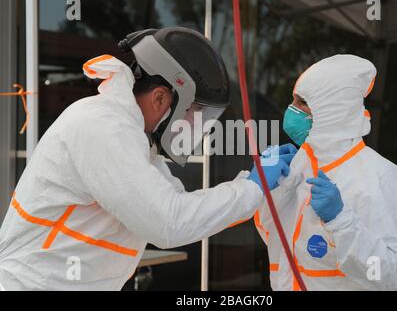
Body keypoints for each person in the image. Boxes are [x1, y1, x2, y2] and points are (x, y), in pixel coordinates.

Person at [0, 27, 296, 290]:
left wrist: (251, 181)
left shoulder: (136, 139)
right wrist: (254, 186)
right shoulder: (103, 127)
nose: (196, 127)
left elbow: (181, 206)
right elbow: (169, 223)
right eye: (196, 113)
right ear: (160, 99)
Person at [255, 54, 397, 291]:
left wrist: (341, 221)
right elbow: (275, 240)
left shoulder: (380, 176)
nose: (291, 110)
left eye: (302, 103)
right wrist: (270, 191)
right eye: (293, 100)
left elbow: (391, 277)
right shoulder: (299, 165)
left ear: (333, 110)